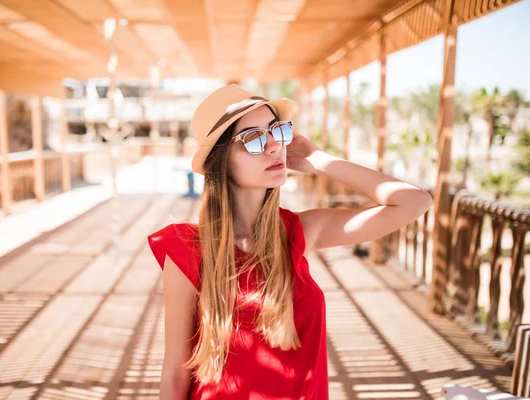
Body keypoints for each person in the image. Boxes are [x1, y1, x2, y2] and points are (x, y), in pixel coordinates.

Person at [147, 84, 433, 399]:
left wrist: (319, 161)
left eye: (277, 131)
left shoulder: (300, 231)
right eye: (253, 139)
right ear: (222, 160)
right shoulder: (187, 248)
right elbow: (175, 372)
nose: (273, 146)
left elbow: (413, 202)